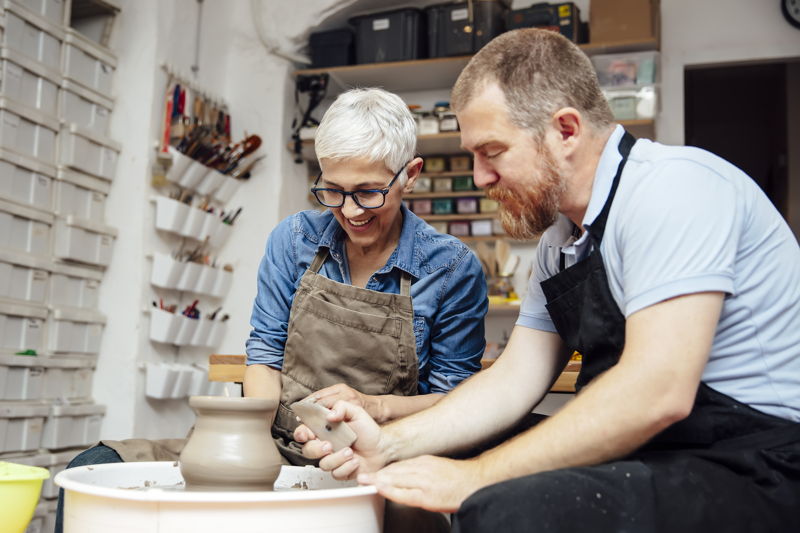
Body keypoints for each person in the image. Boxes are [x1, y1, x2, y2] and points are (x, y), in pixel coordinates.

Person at [297, 29, 800, 532]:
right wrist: (390, 444)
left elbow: (657, 392)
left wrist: (471, 479)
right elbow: (513, 381)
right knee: (464, 444)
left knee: (507, 506)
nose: (479, 177)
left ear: (565, 130)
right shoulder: (560, 242)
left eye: (492, 151)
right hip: (659, 453)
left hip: (758, 463)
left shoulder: (675, 188)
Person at [56, 88, 487, 533]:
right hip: (276, 441)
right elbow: (264, 354)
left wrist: (375, 407)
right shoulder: (295, 239)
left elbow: (455, 403)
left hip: (380, 457)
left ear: (410, 174)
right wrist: (251, 445)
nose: (350, 211)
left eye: (368, 192)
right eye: (333, 191)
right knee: (92, 467)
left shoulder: (452, 268)